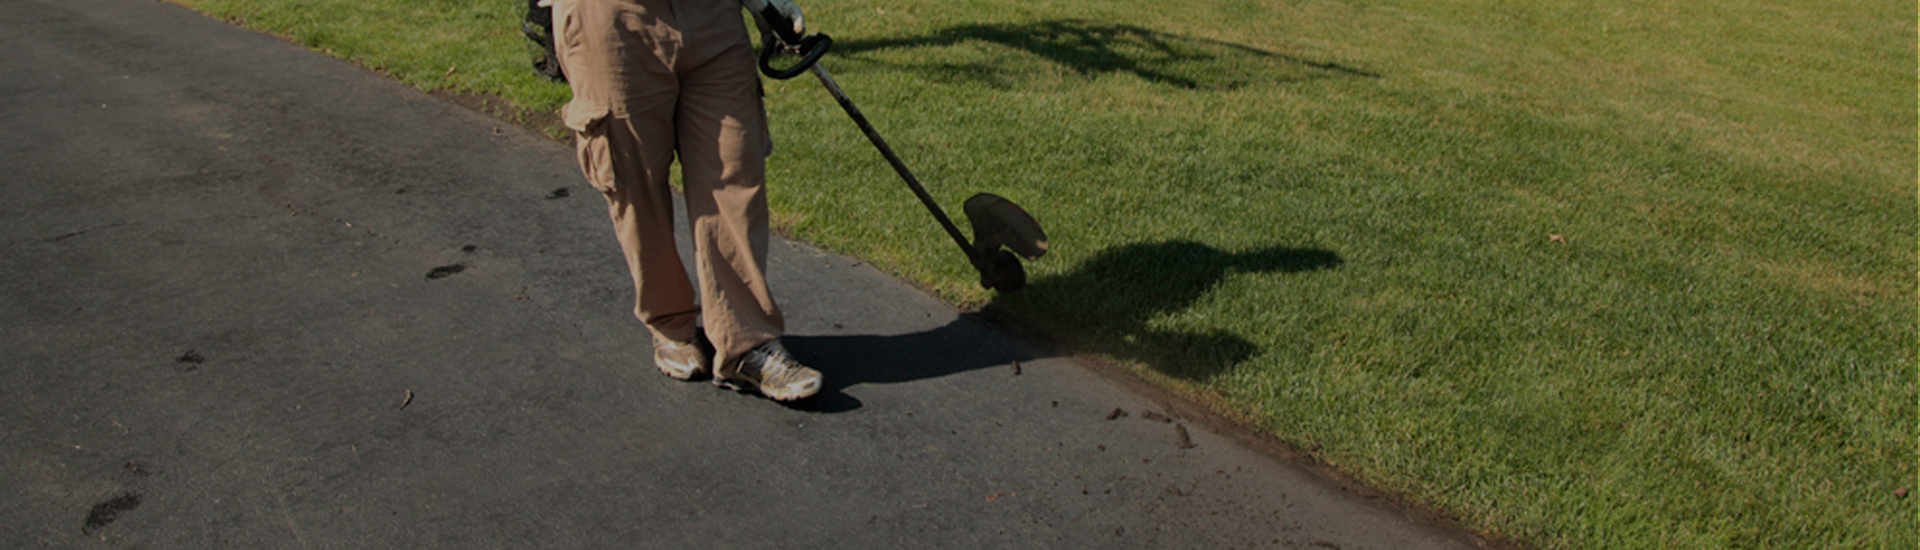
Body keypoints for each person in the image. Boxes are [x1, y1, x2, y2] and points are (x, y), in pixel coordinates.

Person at [549, 0, 822, 401]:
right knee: (635, 183)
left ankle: (746, 344)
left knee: (736, 171)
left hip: (712, 15)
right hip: (611, 19)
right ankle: (670, 322)